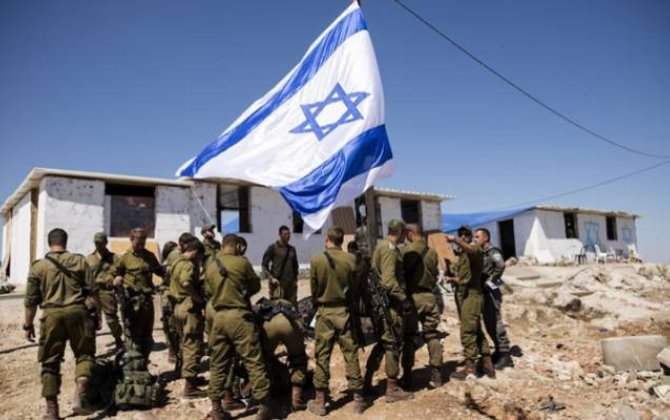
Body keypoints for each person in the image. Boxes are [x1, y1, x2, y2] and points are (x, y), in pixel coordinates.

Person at [24, 228, 98, 419]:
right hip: (78, 313)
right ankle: (80, 391)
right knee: (84, 354)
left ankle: (52, 411)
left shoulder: (38, 267)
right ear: (65, 241)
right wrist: (97, 316)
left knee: (50, 362)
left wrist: (28, 324)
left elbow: (30, 301)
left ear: (49, 242)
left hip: (52, 316)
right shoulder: (79, 261)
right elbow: (93, 291)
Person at [205, 234, 275, 420]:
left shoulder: (210, 264)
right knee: (253, 361)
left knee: (218, 363)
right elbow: (255, 286)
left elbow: (208, 291)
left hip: (218, 318)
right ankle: (264, 407)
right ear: (236, 246)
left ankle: (216, 408)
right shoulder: (242, 263)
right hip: (239, 317)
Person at [307, 227, 367, 416]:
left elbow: (314, 289)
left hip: (325, 312)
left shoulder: (317, 260)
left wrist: (320, 301)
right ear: (342, 240)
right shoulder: (351, 259)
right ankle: (358, 398)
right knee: (350, 354)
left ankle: (320, 400)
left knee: (322, 355)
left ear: (327, 239)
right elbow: (355, 287)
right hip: (344, 312)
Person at [363, 219, 414, 402]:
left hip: (383, 304)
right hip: (390, 305)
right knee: (392, 343)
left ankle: (367, 381)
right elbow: (389, 281)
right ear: (399, 232)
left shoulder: (382, 246)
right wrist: (404, 299)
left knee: (383, 343)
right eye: (404, 233)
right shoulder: (389, 250)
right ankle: (392, 388)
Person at [446, 226, 495, 380]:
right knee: (476, 330)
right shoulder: (464, 254)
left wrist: (455, 240)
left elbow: (472, 250)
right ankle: (487, 364)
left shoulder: (476, 250)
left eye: (469, 235)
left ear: (485, 239)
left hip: (472, 296)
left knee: (467, 331)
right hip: (466, 295)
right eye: (460, 234)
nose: (465, 237)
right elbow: (462, 276)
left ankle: (470, 369)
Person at [400, 224, 444, 389]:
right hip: (429, 297)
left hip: (411, 299)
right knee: (432, 335)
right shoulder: (432, 253)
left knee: (409, 337)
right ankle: (436, 375)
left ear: (411, 233)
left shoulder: (404, 252)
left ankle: (407, 377)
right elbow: (435, 275)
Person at [110, 228, 165, 358]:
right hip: (131, 302)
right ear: (131, 239)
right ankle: (132, 362)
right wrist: (117, 279)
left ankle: (143, 362)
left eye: (143, 242)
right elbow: (113, 273)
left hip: (147, 301)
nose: (141, 245)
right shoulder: (124, 257)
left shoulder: (149, 256)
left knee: (147, 334)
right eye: (138, 242)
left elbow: (160, 272)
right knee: (132, 335)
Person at [170, 237, 207, 398]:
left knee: (185, 343)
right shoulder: (188, 265)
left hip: (178, 306)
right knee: (193, 345)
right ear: (196, 253)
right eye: (200, 257)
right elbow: (185, 283)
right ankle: (190, 387)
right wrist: (198, 298)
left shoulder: (176, 262)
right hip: (189, 307)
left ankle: (190, 377)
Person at [475, 228, 514, 370]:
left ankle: (505, 356)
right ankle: (498, 350)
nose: (475, 239)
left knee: (496, 322)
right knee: (489, 323)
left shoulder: (493, 252)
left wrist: (491, 279)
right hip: (484, 292)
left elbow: (501, 265)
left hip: (492, 292)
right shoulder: (482, 253)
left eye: (477, 237)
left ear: (485, 238)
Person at [86, 232, 124, 352]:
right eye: (97, 243)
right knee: (91, 318)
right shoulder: (89, 259)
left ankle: (118, 339)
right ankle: (90, 345)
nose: (99, 245)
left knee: (111, 319)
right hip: (92, 293)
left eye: (101, 243)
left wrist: (117, 278)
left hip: (107, 291)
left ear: (106, 243)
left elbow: (120, 271)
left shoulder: (114, 258)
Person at [261, 225, 299, 308]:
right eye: (285, 234)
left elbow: (295, 266)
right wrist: (271, 278)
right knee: (277, 307)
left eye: (289, 234)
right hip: (277, 284)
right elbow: (264, 265)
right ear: (280, 234)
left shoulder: (292, 249)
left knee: (292, 308)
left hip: (290, 285)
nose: (288, 236)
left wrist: (295, 280)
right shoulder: (273, 248)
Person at [160, 240, 180, 364]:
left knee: (174, 323)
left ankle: (175, 348)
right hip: (168, 294)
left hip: (174, 294)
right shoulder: (166, 265)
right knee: (169, 323)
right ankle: (172, 349)